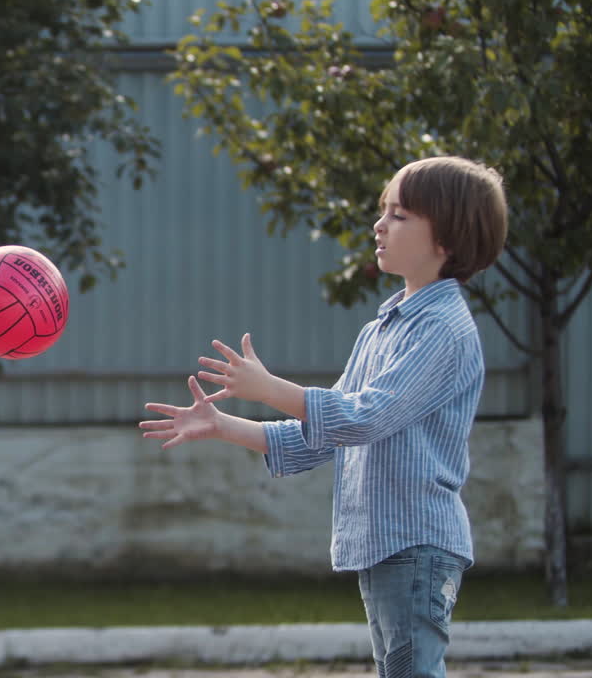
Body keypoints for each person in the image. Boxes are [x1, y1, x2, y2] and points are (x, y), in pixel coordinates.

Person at [140, 156, 508, 678]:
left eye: (399, 215)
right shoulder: (382, 328)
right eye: (384, 210)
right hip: (387, 546)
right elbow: (321, 436)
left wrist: (270, 390)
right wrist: (224, 426)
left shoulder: (442, 329)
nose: (379, 225)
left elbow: (364, 418)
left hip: (417, 546)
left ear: (446, 239)